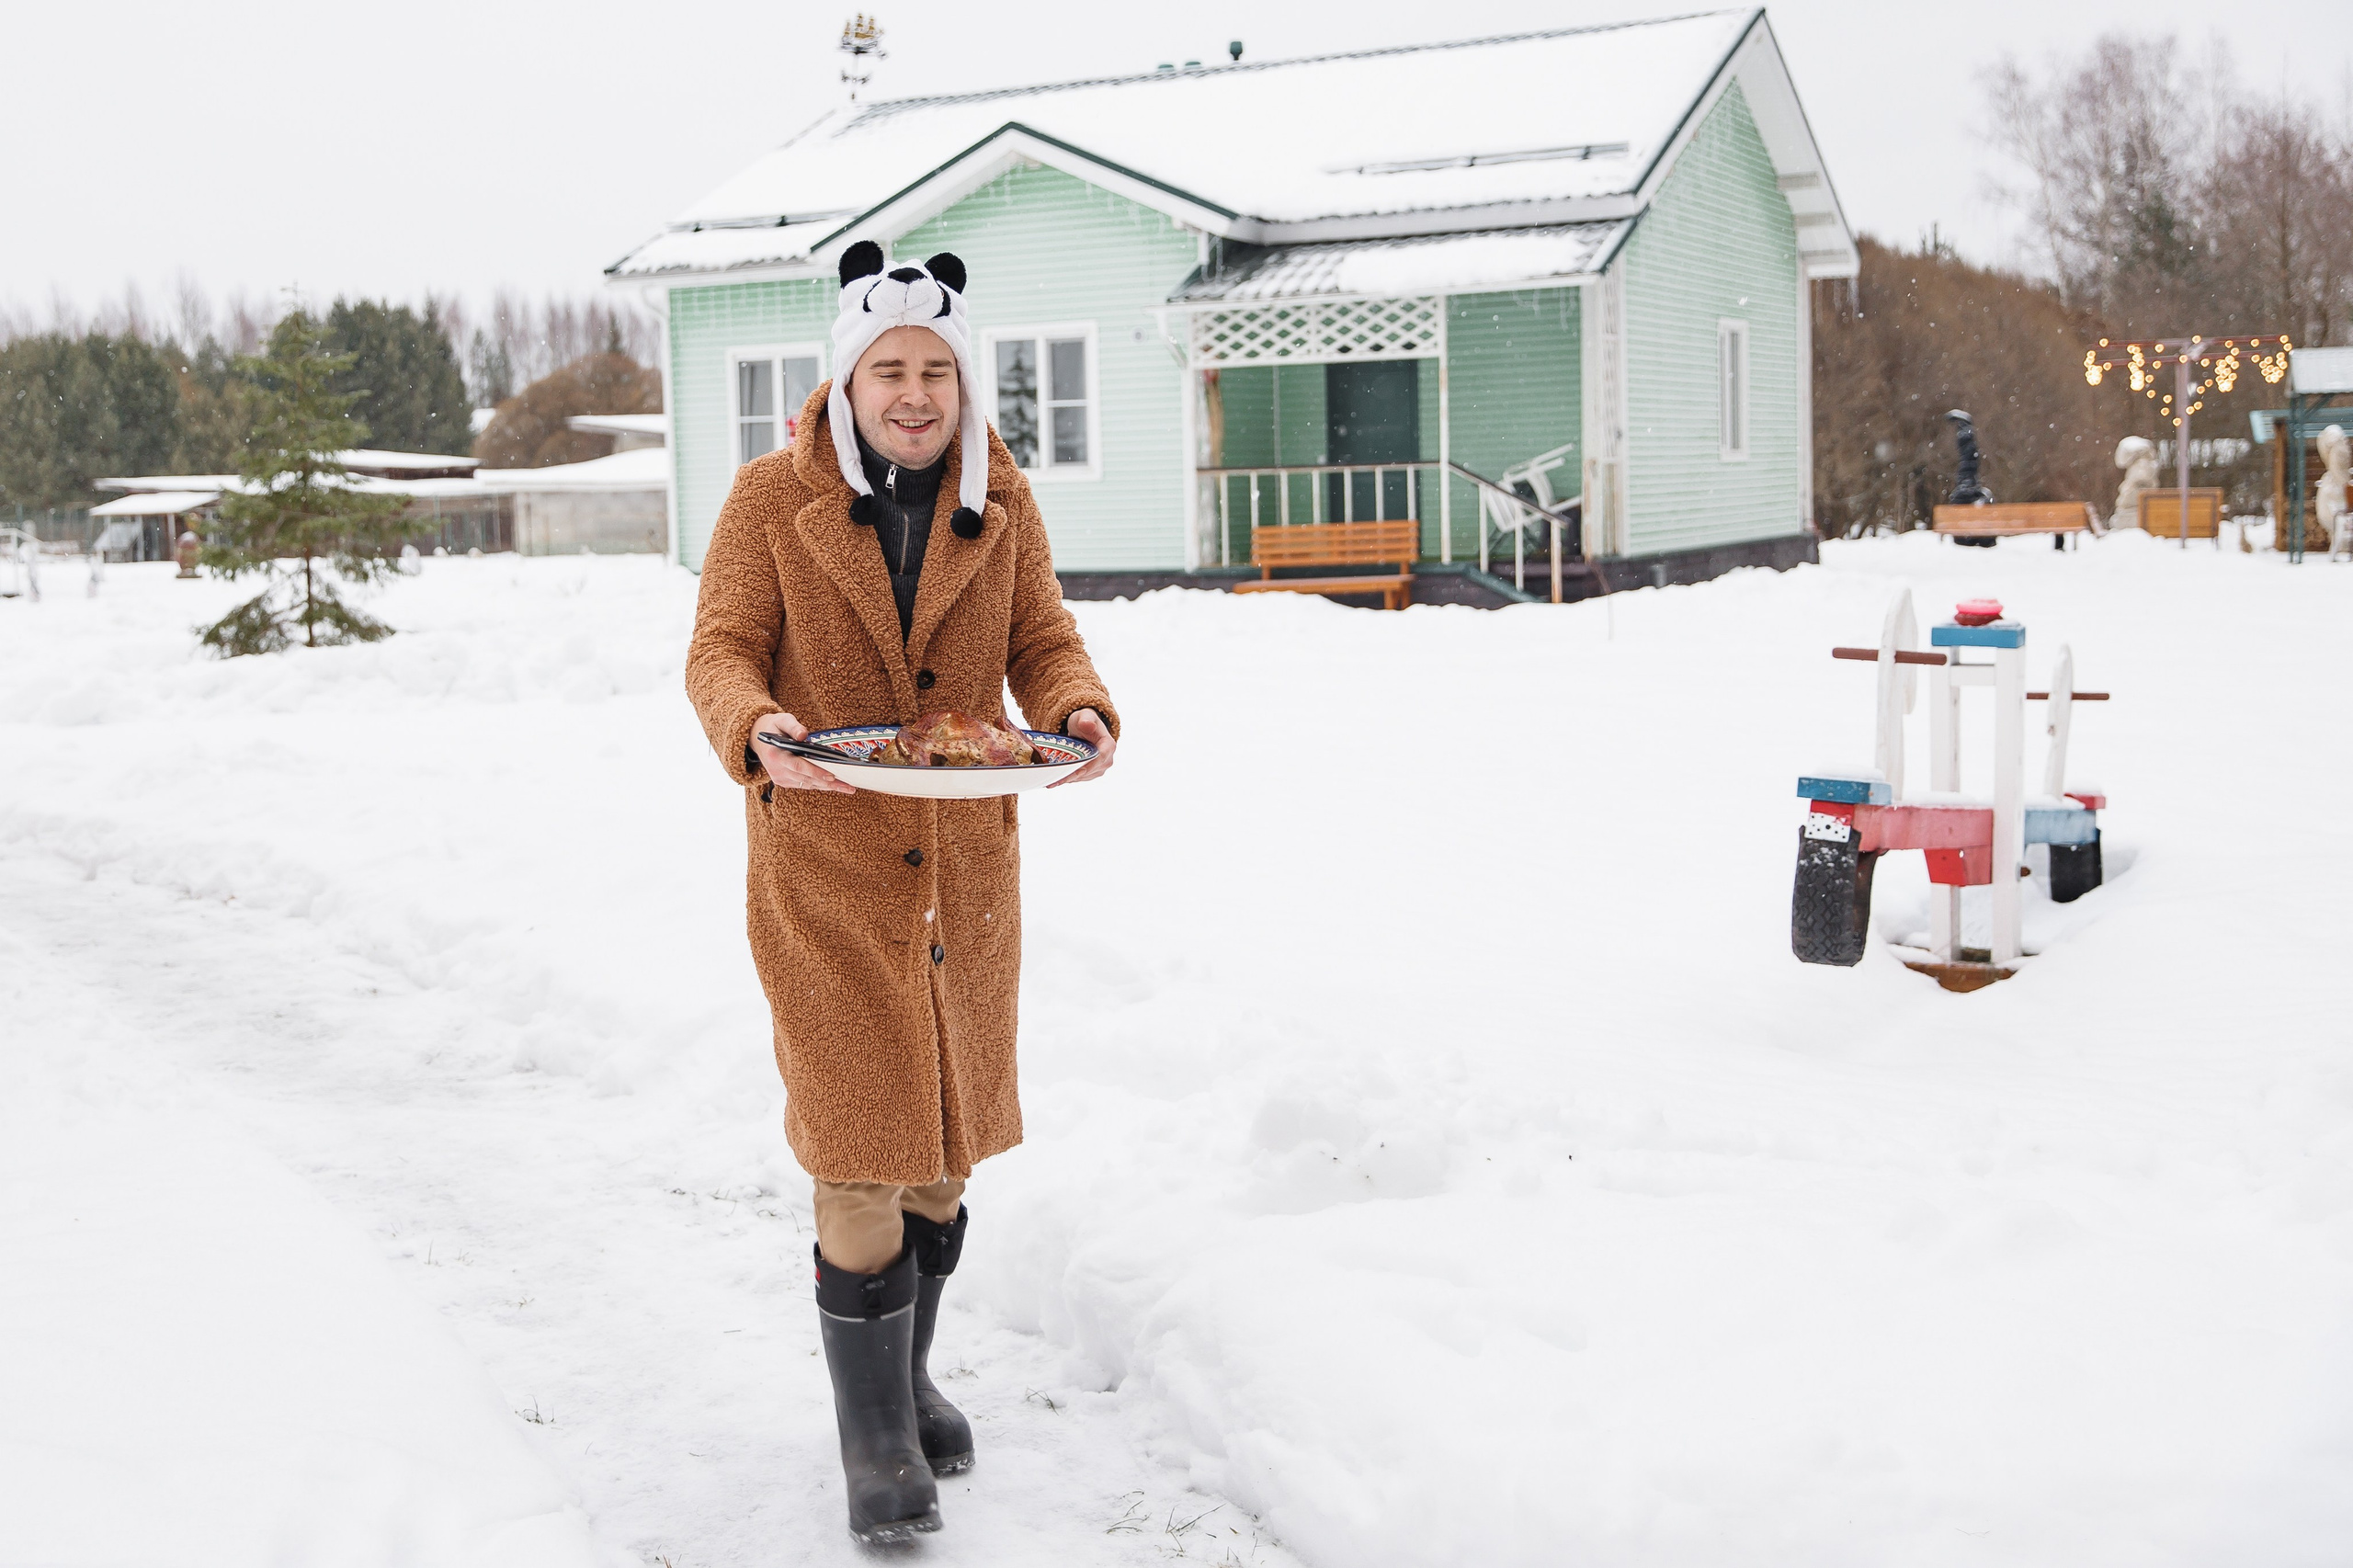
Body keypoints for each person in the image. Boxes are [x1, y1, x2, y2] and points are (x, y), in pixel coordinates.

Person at [684, 241, 1119, 1544]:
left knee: (943, 1149)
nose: (917, 394)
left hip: (967, 877)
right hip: (823, 868)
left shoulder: (1005, 503)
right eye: (892, 372)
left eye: (938, 372)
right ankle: (872, 1440)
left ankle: (911, 1375)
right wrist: (757, 724)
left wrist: (1077, 708)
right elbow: (720, 649)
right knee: (860, 1148)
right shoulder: (771, 500)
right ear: (850, 380)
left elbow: (1042, 638)